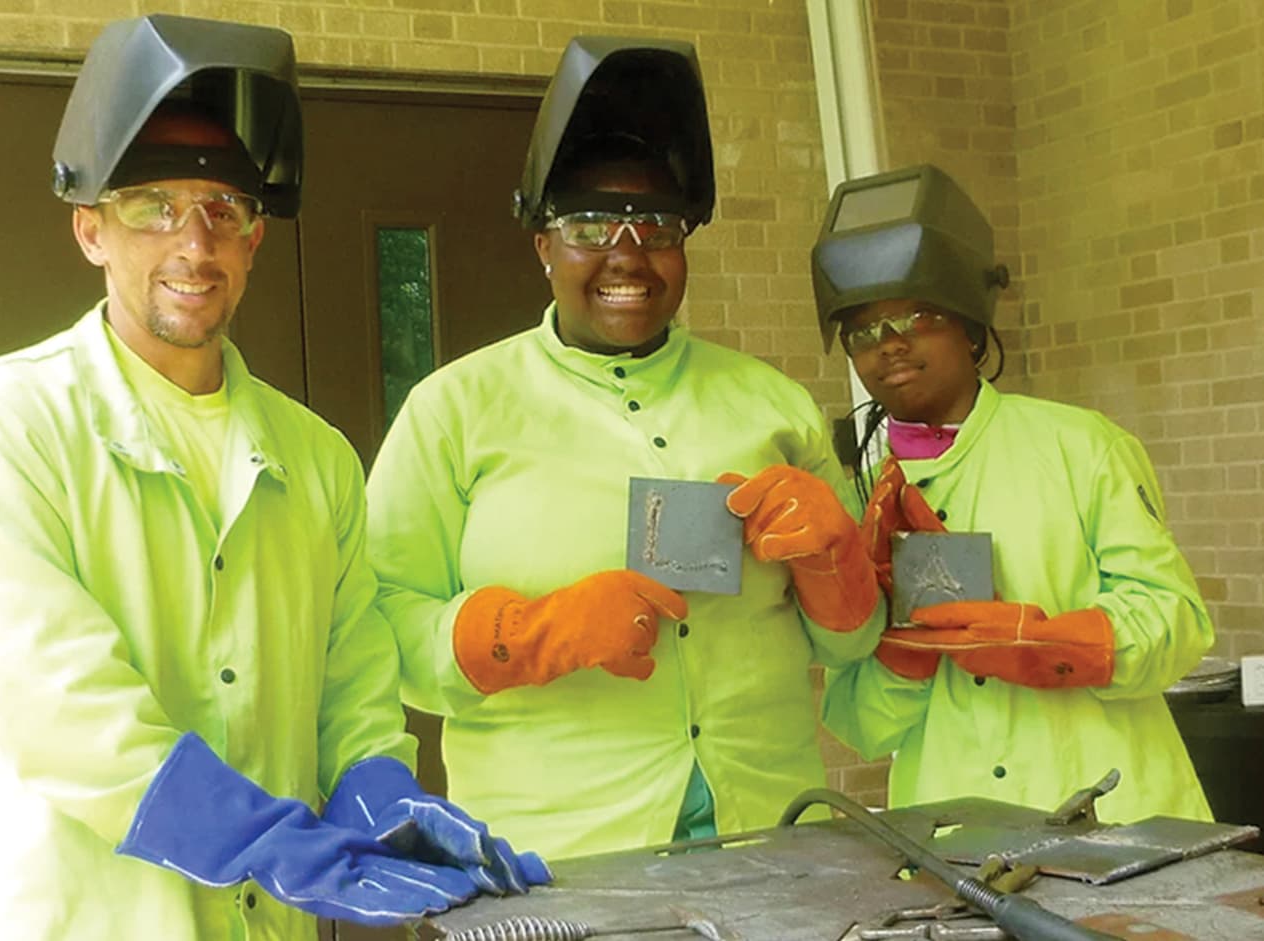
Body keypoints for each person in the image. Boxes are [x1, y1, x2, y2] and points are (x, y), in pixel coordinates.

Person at [0, 15, 545, 941]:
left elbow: (355, 689)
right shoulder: (3, 426)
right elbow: (54, 703)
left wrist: (381, 797)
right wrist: (267, 841)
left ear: (255, 238)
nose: (193, 243)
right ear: (89, 228)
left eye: (223, 209)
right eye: (153, 206)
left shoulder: (316, 457)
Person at [365, 36, 885, 862]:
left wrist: (835, 560)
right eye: (588, 223)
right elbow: (379, 628)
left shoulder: (774, 405)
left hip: (773, 832)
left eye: (657, 225)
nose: (628, 251)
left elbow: (853, 643)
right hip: (559, 851)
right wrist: (531, 631)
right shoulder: (452, 412)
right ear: (542, 244)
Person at [813, 163, 1214, 822]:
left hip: (1116, 820)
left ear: (970, 324)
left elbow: (1178, 622)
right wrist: (902, 657)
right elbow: (859, 725)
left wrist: (1052, 644)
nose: (890, 345)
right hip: (954, 834)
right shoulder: (860, 499)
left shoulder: (1081, 446)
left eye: (916, 315)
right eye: (863, 331)